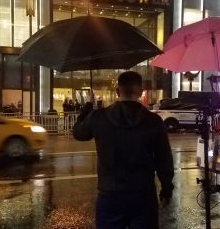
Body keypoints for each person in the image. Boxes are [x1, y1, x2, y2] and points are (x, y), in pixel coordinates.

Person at [73, 71, 174, 229]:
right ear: (140, 92)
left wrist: (85, 111)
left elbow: (79, 133)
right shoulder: (154, 122)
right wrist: (166, 188)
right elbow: (164, 159)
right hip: (143, 195)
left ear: (118, 92)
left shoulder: (99, 117)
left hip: (110, 195)